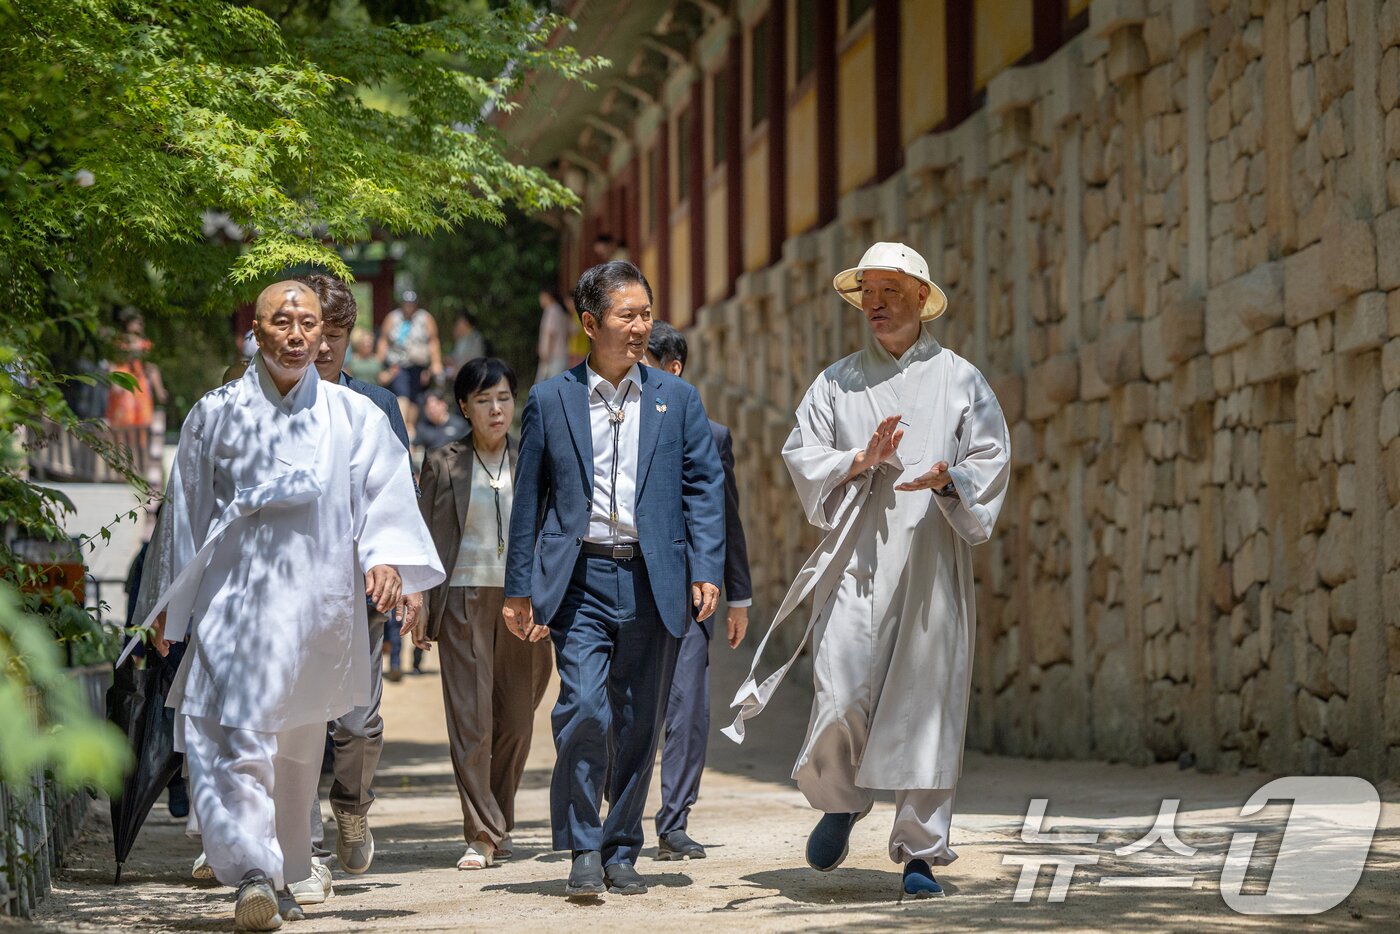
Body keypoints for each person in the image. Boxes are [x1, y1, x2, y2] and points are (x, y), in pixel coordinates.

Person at [131, 279, 443, 931]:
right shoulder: (214, 412)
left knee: (298, 747)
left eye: (310, 323)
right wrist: (163, 602)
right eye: (285, 321)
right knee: (232, 733)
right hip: (234, 600)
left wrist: (389, 562)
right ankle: (250, 873)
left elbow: (385, 495)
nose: (300, 334)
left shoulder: (353, 416)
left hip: (318, 604)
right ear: (258, 329)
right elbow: (184, 509)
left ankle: (286, 871)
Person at [724, 243, 1010, 900]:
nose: (875, 305)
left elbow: (989, 462)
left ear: (920, 296)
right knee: (842, 695)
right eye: (867, 293)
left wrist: (950, 480)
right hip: (854, 563)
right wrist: (859, 459)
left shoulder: (962, 380)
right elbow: (803, 454)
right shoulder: (835, 382)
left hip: (931, 562)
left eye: (889, 292)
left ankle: (920, 853)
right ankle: (842, 800)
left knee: (927, 708)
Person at [504, 261, 725, 899]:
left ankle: (622, 846)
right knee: (583, 710)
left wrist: (705, 567)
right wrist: (519, 587)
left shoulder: (677, 399)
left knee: (639, 719)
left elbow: (703, 488)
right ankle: (581, 844)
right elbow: (530, 502)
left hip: (655, 577)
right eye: (626, 315)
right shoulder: (550, 399)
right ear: (590, 323)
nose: (639, 327)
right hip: (579, 579)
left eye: (644, 314)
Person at [296, 273, 417, 897]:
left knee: (358, 723)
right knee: (295, 721)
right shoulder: (268, 403)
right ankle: (304, 849)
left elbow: (398, 498)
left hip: (360, 591)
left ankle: (351, 805)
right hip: (290, 592)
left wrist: (408, 581)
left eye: (335, 337)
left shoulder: (377, 405)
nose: (321, 350)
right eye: (314, 334)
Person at [411, 357, 553, 871]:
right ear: (465, 407)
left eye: (504, 398)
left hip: (523, 602)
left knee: (516, 719)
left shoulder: (534, 459)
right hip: (464, 600)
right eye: (484, 400)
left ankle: (499, 818)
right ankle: (482, 832)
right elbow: (425, 537)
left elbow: (552, 537)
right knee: (471, 721)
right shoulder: (443, 460)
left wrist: (551, 600)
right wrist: (420, 601)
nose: (496, 409)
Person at [641, 322, 751, 861]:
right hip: (626, 586)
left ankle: (674, 821)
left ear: (674, 369)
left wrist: (739, 596)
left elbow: (726, 518)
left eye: (648, 360)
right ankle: (619, 810)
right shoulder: (610, 429)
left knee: (687, 707)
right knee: (627, 704)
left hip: (690, 595)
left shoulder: (712, 435)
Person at [376, 289, 443, 424]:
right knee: (402, 394)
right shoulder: (393, 318)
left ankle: (410, 427)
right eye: (406, 304)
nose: (409, 307)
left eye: (412, 304)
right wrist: (378, 362)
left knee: (415, 397)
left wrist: (436, 362)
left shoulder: (425, 318)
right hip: (398, 364)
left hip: (418, 364)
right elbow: (383, 340)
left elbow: (433, 341)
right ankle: (402, 425)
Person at [414, 391, 469, 455]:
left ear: (443, 405)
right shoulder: (423, 427)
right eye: (428, 408)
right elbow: (413, 446)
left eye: (433, 407)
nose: (431, 411)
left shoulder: (459, 424)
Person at [535, 290, 571, 384]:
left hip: (552, 355)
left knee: (545, 385)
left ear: (548, 296)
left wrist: (545, 352)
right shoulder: (560, 310)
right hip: (562, 353)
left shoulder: (551, 310)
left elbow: (551, 333)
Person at [447, 310, 487, 378]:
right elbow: (454, 357)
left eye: (460, 321)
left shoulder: (476, 339)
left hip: (472, 374)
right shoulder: (461, 339)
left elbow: (475, 360)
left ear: (466, 322)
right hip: (459, 372)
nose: (457, 324)